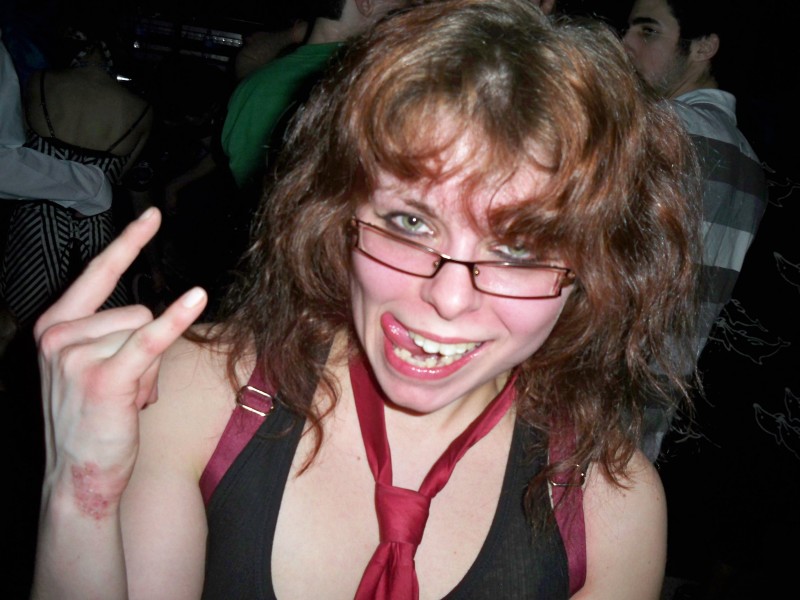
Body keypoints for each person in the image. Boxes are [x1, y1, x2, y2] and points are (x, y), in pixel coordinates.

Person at [30, 1, 702, 598]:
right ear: (337, 213)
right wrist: (80, 492)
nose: (447, 297)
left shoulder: (608, 509)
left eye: (519, 251)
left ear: (595, 269)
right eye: (410, 222)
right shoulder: (200, 394)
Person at [622, 0, 768, 461]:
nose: (625, 44)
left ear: (704, 47)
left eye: (648, 31)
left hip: (575, 407)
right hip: (644, 428)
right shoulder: (750, 166)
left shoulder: (656, 128)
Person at [0, 34, 152, 331]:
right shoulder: (142, 110)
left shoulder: (40, 83)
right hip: (95, 229)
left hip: (36, 224)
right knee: (93, 324)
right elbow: (118, 178)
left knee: (23, 321)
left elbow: (16, 153)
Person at [220, 0, 411, 193]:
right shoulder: (378, 81)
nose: (414, 6)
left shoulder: (252, 87)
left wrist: (297, 33)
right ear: (366, 3)